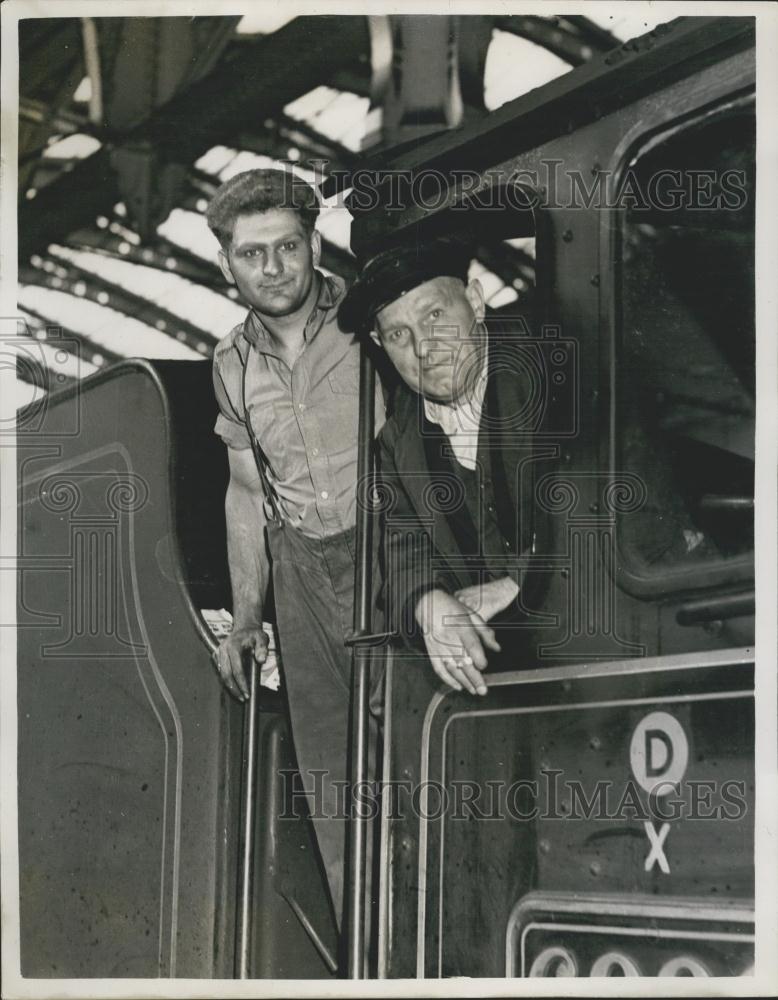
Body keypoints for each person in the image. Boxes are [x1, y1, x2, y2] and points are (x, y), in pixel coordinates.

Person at [207, 168, 384, 933]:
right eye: (253, 254)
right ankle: (370, 964)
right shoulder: (230, 365)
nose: (273, 269)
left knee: (426, 759)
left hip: (392, 553)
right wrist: (248, 615)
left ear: (313, 243)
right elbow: (247, 491)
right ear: (226, 264)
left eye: (287, 247)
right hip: (301, 574)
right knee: (334, 786)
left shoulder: (375, 317)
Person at [339, 239, 541, 697]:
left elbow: (622, 505)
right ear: (378, 344)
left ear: (474, 301)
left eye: (434, 316)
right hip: (500, 670)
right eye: (397, 335)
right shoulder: (397, 440)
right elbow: (402, 542)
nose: (423, 348)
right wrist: (428, 601)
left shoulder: (553, 375)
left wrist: (521, 582)